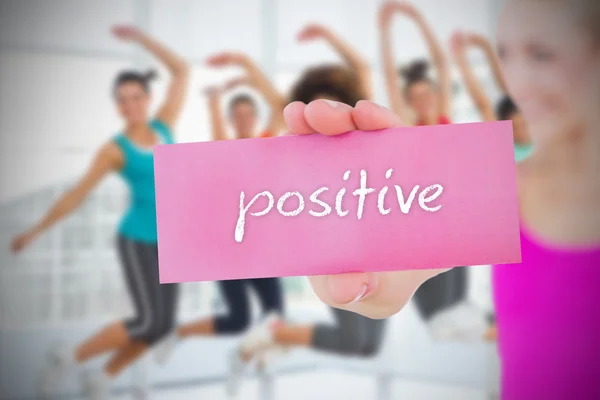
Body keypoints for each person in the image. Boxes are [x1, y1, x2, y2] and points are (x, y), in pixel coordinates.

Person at [289, 0, 600, 398]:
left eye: (542, 54)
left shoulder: (451, 126)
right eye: (505, 54)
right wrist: (384, 282)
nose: (518, 81)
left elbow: (443, 65)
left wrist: (416, 21)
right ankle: (447, 316)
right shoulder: (505, 191)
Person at [10, 25, 189, 399]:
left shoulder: (165, 125)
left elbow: (183, 70)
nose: (131, 105)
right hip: (138, 239)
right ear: (117, 107)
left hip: (172, 242)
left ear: (148, 98)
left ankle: (101, 379)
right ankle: (67, 357)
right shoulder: (114, 150)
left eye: (137, 96)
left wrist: (142, 40)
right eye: (123, 100)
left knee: (160, 327)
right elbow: (77, 196)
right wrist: (35, 231)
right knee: (147, 320)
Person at [232, 23, 387, 394]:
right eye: (314, 108)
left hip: (373, 244)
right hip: (327, 245)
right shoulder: (302, 144)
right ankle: (276, 332)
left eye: (331, 104)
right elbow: (273, 98)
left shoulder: (361, 135)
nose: (324, 114)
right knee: (353, 340)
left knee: (369, 346)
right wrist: (244, 64)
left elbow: (363, 70)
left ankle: (280, 334)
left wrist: (330, 37)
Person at [150, 54, 286, 397]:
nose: (242, 120)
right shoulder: (223, 150)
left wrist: (248, 71)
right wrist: (213, 103)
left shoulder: (265, 144)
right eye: (235, 115)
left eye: (247, 114)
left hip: (261, 248)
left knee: (275, 317)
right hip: (227, 248)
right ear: (230, 120)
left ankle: (241, 362)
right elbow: (216, 136)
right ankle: (178, 333)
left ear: (254, 119)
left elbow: (280, 104)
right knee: (239, 318)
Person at [450, 31, 532, 161]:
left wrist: (486, 46)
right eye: (515, 127)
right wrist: (461, 60)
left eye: (524, 124)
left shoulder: (542, 142)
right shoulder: (505, 149)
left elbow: (507, 86)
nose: (522, 131)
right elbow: (483, 105)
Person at [379, 1, 451, 126]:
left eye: (426, 94)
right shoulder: (409, 124)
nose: (423, 101)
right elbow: (390, 79)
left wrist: (418, 18)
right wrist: (385, 29)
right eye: (417, 97)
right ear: (409, 103)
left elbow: (441, 63)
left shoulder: (443, 114)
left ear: (435, 94)